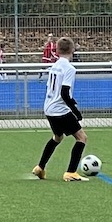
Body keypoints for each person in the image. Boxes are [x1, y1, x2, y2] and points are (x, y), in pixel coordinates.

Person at [32, 36, 90, 182]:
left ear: (56, 50)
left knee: (57, 137)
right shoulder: (69, 68)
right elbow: (64, 92)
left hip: (49, 108)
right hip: (60, 110)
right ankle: (71, 172)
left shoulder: (54, 66)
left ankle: (40, 168)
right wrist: (75, 111)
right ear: (73, 49)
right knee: (81, 137)